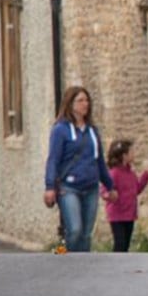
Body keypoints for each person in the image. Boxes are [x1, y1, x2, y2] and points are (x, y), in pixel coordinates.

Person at [43, 86, 115, 255]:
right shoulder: (60, 130)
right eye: (80, 101)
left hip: (90, 187)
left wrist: (110, 186)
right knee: (74, 229)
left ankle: (82, 265)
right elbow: (53, 159)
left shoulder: (92, 131)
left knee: (86, 234)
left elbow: (99, 161)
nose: (85, 104)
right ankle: (69, 260)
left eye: (87, 100)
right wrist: (49, 186)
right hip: (69, 188)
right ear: (71, 104)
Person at [104, 140, 148, 253]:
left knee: (126, 245)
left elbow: (137, 189)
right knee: (120, 244)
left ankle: (123, 267)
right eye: (132, 152)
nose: (134, 154)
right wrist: (109, 195)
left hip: (129, 214)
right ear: (124, 156)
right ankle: (116, 266)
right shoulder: (114, 173)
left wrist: (146, 176)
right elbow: (105, 190)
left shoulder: (131, 173)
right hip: (117, 215)